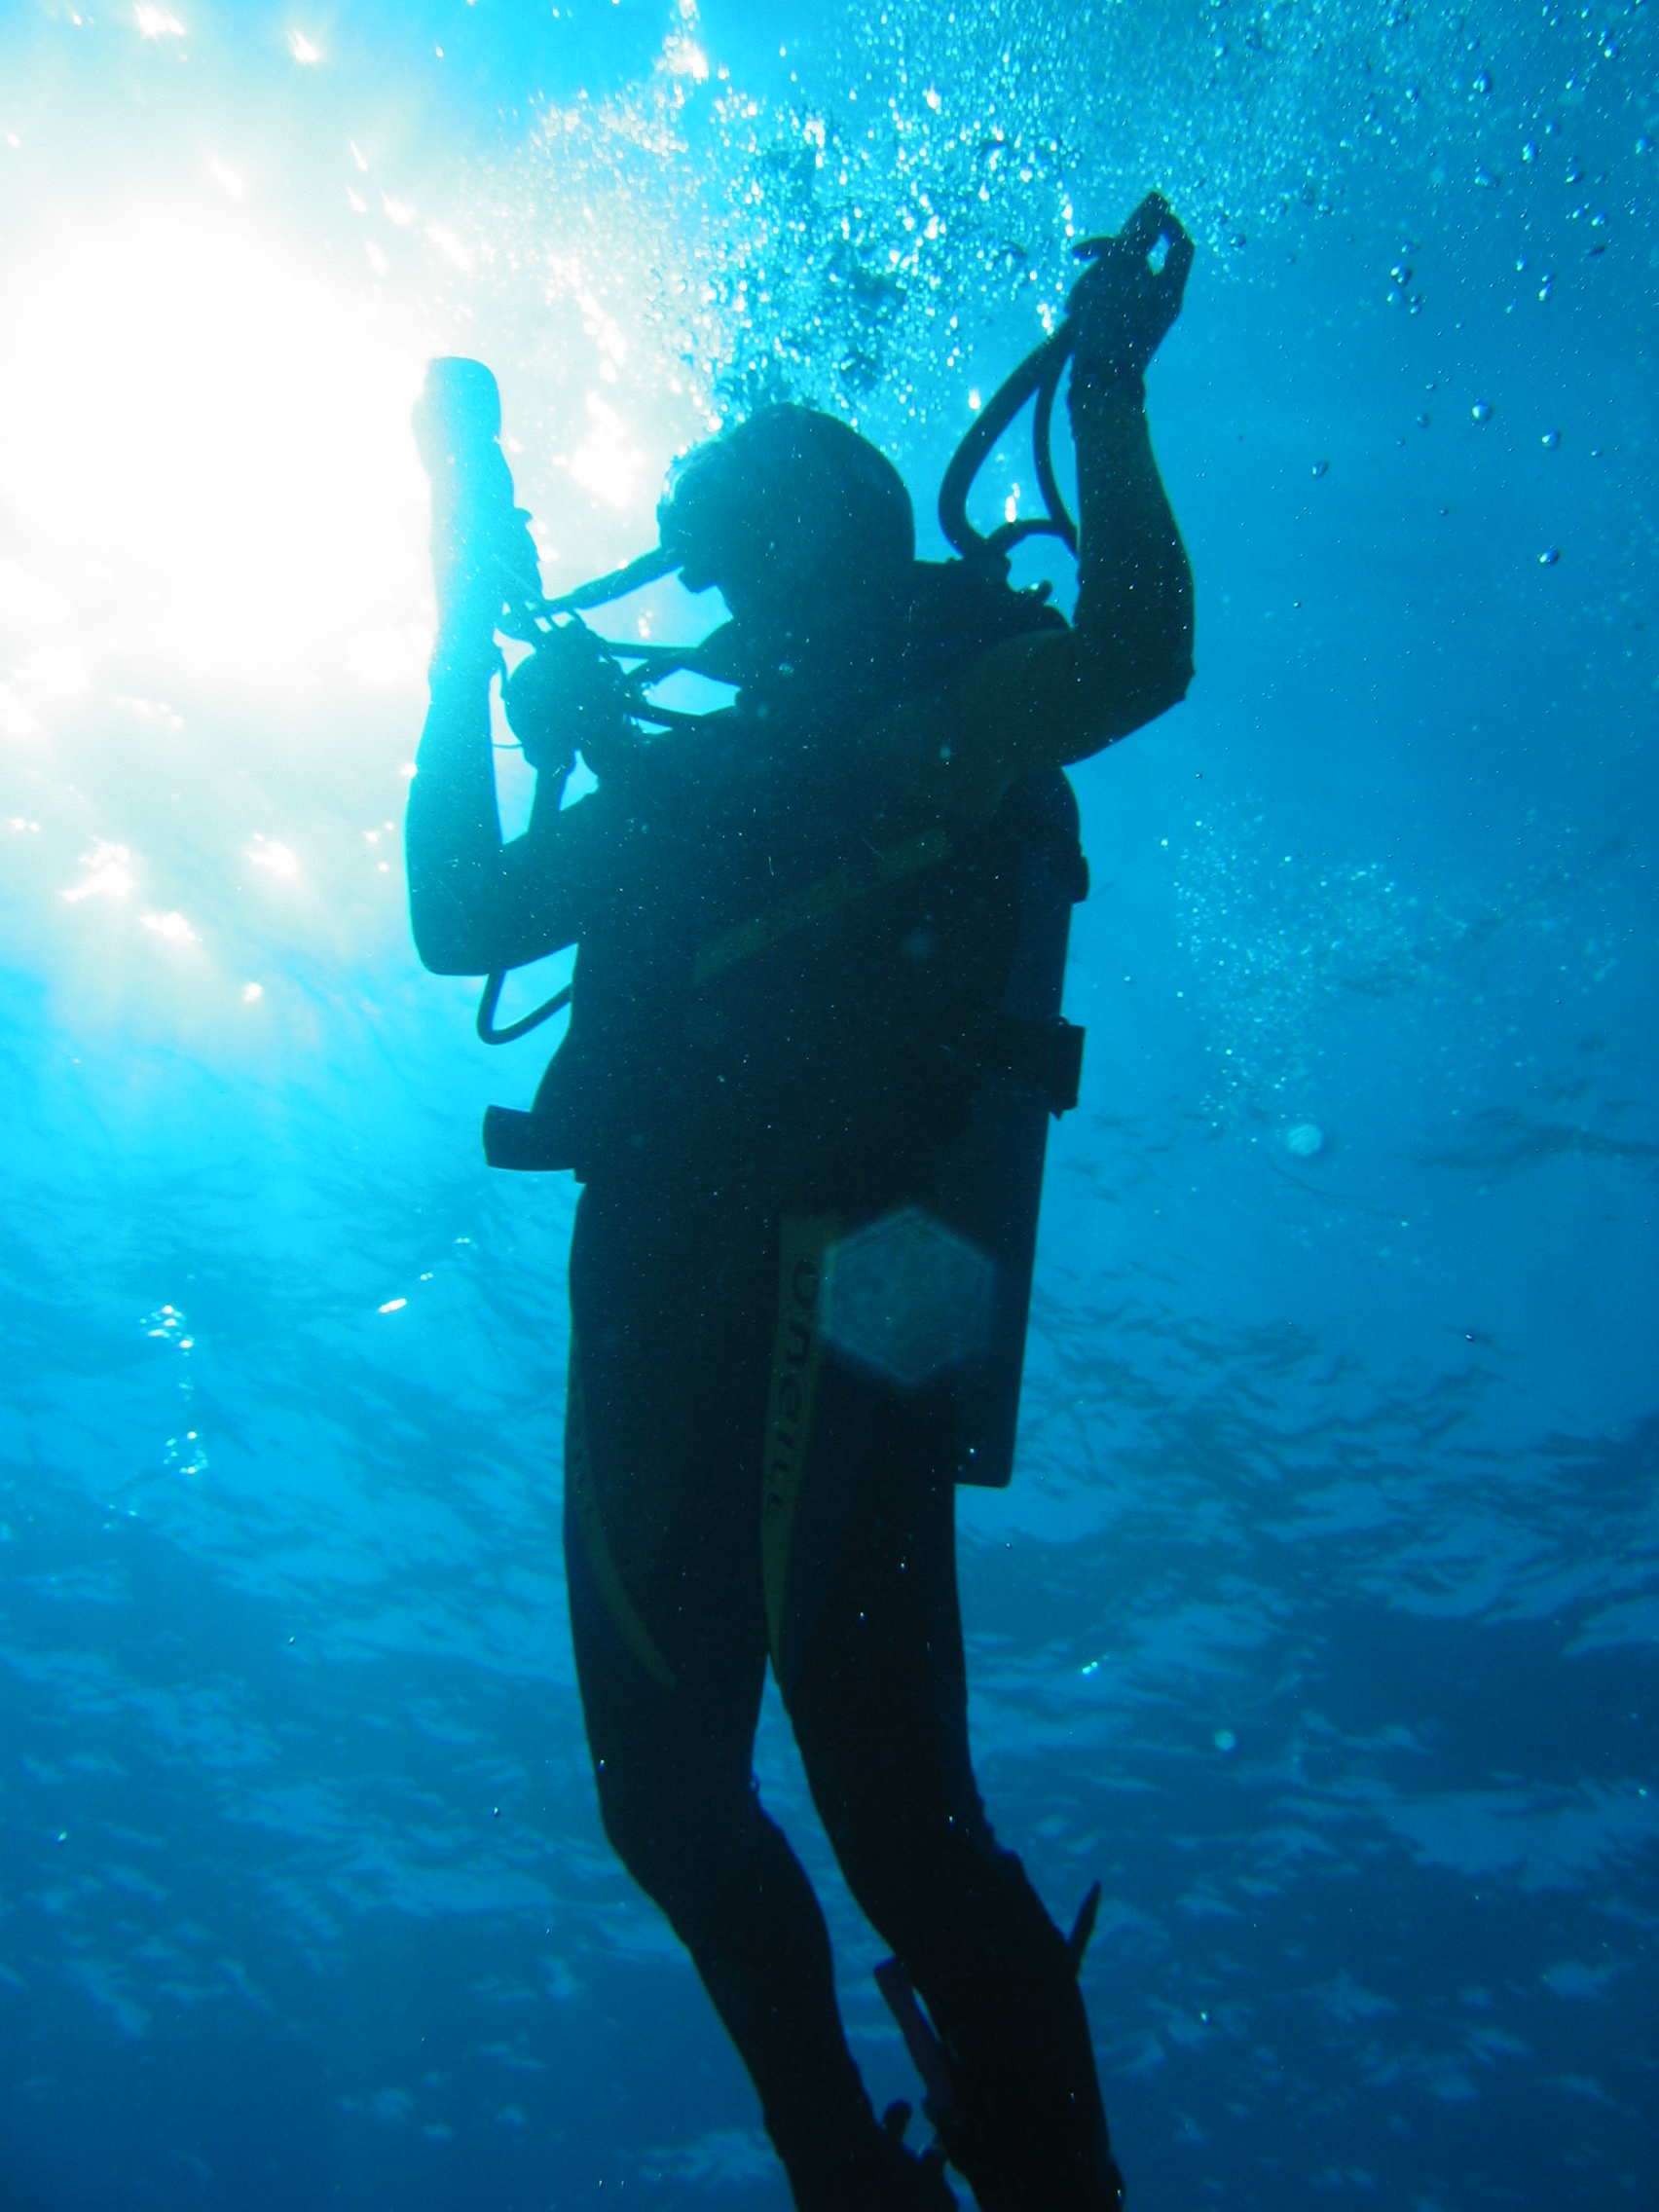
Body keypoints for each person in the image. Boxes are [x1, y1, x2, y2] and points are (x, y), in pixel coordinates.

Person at [405, 194, 1195, 2212]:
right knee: (687, 1802)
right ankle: (857, 2170)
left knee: (872, 1806)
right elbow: (460, 918)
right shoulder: (684, 761)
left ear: (820, 535)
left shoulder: (939, 695)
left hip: (850, 1259)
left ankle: (1021, 2179)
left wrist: (1103, 393)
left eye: (729, 504)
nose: (694, 533)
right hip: (710, 1273)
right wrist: (452, 625)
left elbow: (1141, 652)